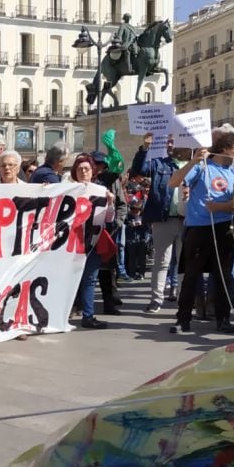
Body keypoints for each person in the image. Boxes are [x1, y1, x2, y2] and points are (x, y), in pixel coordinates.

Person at [169, 127, 234, 335]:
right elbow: (173, 182)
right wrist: (194, 161)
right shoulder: (202, 167)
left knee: (224, 276)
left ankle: (223, 318)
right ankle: (183, 319)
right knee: (191, 276)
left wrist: (220, 207)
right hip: (198, 229)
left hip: (223, 228)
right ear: (225, 149)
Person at [130, 133, 188, 312]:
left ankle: (182, 297)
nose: (170, 144)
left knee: (184, 261)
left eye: (173, 140)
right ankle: (156, 298)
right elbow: (139, 170)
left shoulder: (192, 164)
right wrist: (145, 148)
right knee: (161, 261)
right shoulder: (159, 162)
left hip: (188, 219)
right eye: (167, 140)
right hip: (163, 218)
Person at [71, 154, 114, 330]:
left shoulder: (101, 191)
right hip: (71, 243)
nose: (83, 172)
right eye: (79, 169)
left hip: (93, 241)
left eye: (86, 169)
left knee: (89, 279)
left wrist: (110, 203)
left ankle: (88, 315)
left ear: (92, 171)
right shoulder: (67, 189)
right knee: (69, 279)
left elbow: (109, 219)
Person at [93, 151, 127, 314]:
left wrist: (116, 224)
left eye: (102, 165)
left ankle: (109, 302)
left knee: (107, 269)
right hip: (87, 232)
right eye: (96, 164)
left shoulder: (113, 181)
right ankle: (79, 305)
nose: (99, 168)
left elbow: (122, 205)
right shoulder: (86, 180)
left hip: (107, 231)